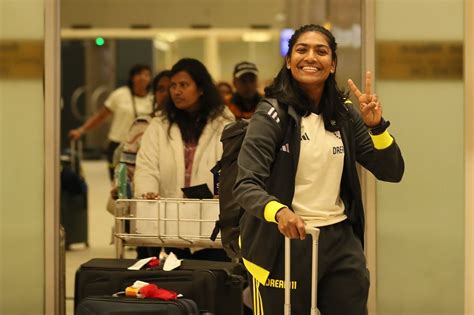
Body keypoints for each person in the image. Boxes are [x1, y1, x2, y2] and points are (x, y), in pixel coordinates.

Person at [233, 24, 404, 315]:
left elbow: (391, 171)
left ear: (333, 63)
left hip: (339, 242)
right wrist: (279, 211)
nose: (311, 57)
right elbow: (246, 184)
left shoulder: (345, 113)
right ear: (289, 61)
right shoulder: (271, 114)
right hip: (282, 243)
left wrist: (376, 126)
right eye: (302, 50)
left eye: (321, 51)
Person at [134, 58, 234, 261]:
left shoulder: (224, 123)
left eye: (184, 85)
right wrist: (147, 193)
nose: (176, 91)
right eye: (173, 86)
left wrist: (220, 193)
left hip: (210, 224)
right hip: (169, 224)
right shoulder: (159, 125)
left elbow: (229, 167)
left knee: (210, 283)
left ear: (201, 89)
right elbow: (146, 167)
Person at [69, 64, 153, 180]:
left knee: (139, 181)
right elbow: (100, 116)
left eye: (146, 75)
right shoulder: (120, 94)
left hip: (142, 147)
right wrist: (81, 130)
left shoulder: (152, 99)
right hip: (118, 144)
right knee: (118, 184)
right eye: (139, 74)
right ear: (132, 77)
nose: (143, 77)